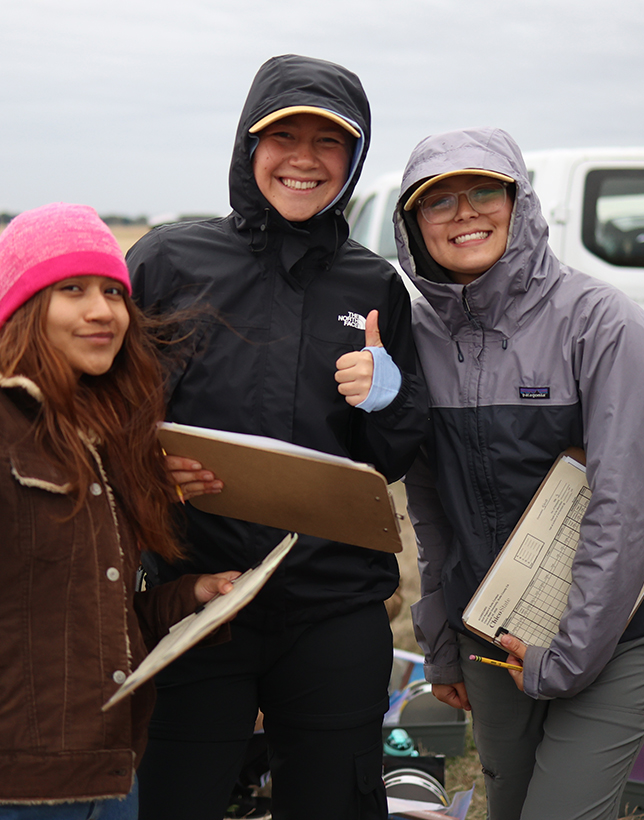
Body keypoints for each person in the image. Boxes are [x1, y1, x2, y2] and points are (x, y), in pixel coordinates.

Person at [0, 202, 239, 818]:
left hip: (111, 778)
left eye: (113, 291)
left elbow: (84, 615)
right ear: (21, 307)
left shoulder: (101, 431)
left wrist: (189, 598)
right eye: (72, 289)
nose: (102, 310)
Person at [126, 54, 427, 819]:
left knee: (334, 800)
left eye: (329, 142)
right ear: (247, 145)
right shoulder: (169, 261)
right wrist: (146, 468)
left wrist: (388, 400)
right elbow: (106, 410)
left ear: (354, 158)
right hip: (199, 598)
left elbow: (395, 454)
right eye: (283, 136)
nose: (304, 159)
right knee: (173, 800)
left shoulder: (374, 284)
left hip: (334, 604)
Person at [395, 127, 644, 820]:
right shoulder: (417, 339)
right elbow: (432, 510)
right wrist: (441, 645)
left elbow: (625, 509)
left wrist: (566, 656)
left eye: (483, 192)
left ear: (520, 203)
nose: (464, 213)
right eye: (438, 201)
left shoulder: (606, 326)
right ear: (413, 225)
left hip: (615, 632)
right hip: (494, 633)